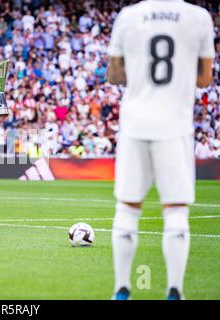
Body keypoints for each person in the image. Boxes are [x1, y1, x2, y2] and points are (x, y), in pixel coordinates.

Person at [107, 0, 214, 300]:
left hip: (135, 124)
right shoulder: (199, 17)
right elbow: (205, 79)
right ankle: (174, 291)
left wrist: (139, 71)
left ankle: (122, 290)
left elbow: (114, 75)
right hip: (175, 125)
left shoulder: (128, 16)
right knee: (176, 210)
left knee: (127, 208)